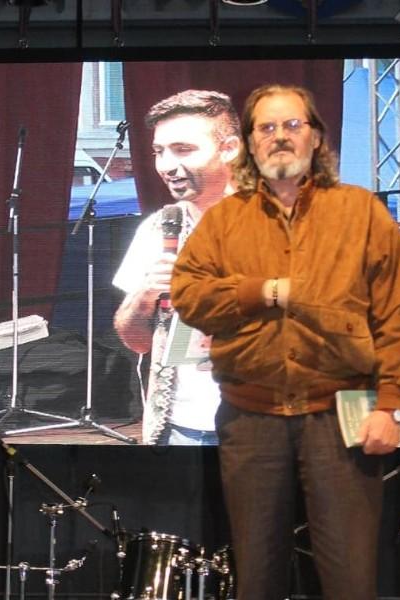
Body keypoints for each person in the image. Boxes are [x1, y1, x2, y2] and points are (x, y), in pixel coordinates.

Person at [170, 84, 400, 599]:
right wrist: (266, 291)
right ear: (249, 143)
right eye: (266, 128)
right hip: (251, 420)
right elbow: (189, 297)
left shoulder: (361, 212)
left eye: (292, 125)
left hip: (342, 417)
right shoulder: (224, 220)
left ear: (316, 137)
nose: (280, 137)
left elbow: (397, 316)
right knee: (256, 579)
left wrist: (391, 406)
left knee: (351, 581)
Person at [112, 90, 241, 445]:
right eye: (159, 151)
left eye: (183, 149)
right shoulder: (157, 229)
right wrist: (145, 295)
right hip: (180, 431)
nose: (167, 165)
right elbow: (136, 342)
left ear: (229, 149)